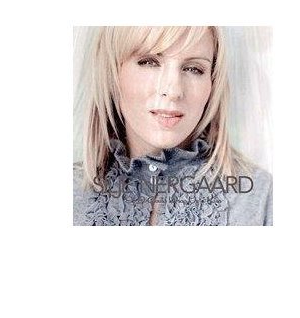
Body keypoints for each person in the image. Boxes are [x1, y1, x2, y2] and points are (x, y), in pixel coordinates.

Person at [73, 26, 272, 226]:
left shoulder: (260, 195)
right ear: (112, 72)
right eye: (149, 62)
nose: (174, 90)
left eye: (193, 69)